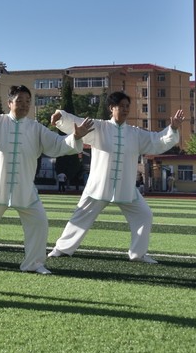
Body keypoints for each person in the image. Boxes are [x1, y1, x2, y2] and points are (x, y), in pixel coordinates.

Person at [0, 85, 92, 274]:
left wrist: (75, 137)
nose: (24, 105)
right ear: (10, 103)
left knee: (39, 224)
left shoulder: (36, 128)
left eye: (28, 102)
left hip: (25, 190)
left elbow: (57, 145)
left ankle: (34, 264)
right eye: (20, 101)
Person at [48, 95, 183, 264]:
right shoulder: (99, 127)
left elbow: (157, 140)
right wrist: (61, 116)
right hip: (99, 185)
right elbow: (78, 122)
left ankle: (138, 254)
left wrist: (173, 129)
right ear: (111, 108)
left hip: (126, 187)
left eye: (128, 106)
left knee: (144, 215)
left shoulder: (136, 133)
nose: (126, 109)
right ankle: (61, 249)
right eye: (121, 106)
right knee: (81, 216)